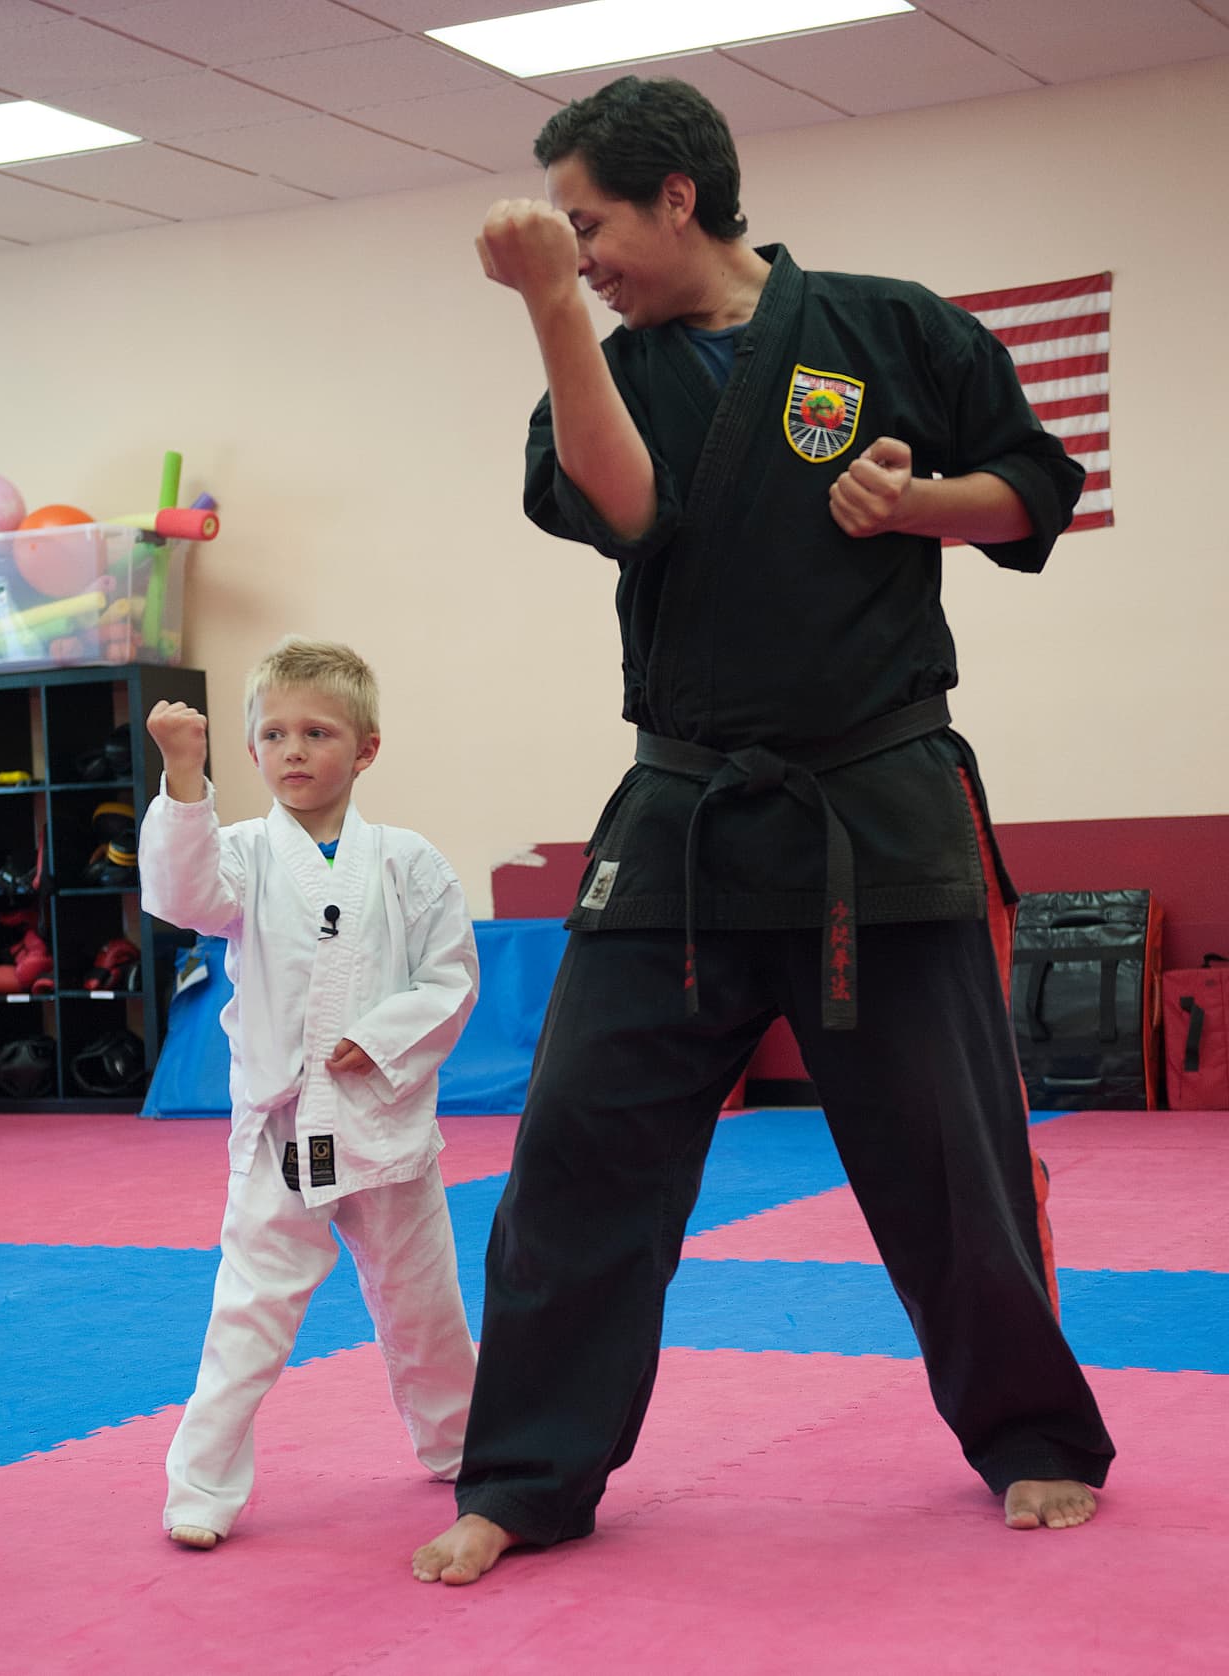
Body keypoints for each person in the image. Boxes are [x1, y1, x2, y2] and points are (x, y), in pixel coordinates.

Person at [412, 75, 1115, 1587]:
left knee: (953, 1161)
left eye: (588, 221)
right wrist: (546, 311)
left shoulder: (890, 324)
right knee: (576, 1155)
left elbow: (1039, 487)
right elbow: (629, 507)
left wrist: (922, 503)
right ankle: (530, 1474)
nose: (578, 249)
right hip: (682, 812)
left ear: (678, 194)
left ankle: (1037, 1437)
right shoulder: (614, 364)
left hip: (880, 802)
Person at [140, 637, 479, 1549]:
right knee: (248, 1308)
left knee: (424, 1301)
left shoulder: (410, 862)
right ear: (249, 751)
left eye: (318, 732)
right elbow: (183, 897)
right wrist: (182, 777)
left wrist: (379, 1038)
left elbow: (450, 978)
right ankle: (201, 1486)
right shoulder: (243, 854)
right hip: (282, 1129)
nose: (294, 750)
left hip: (384, 1123)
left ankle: (461, 1445)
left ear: (365, 750)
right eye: (274, 733)